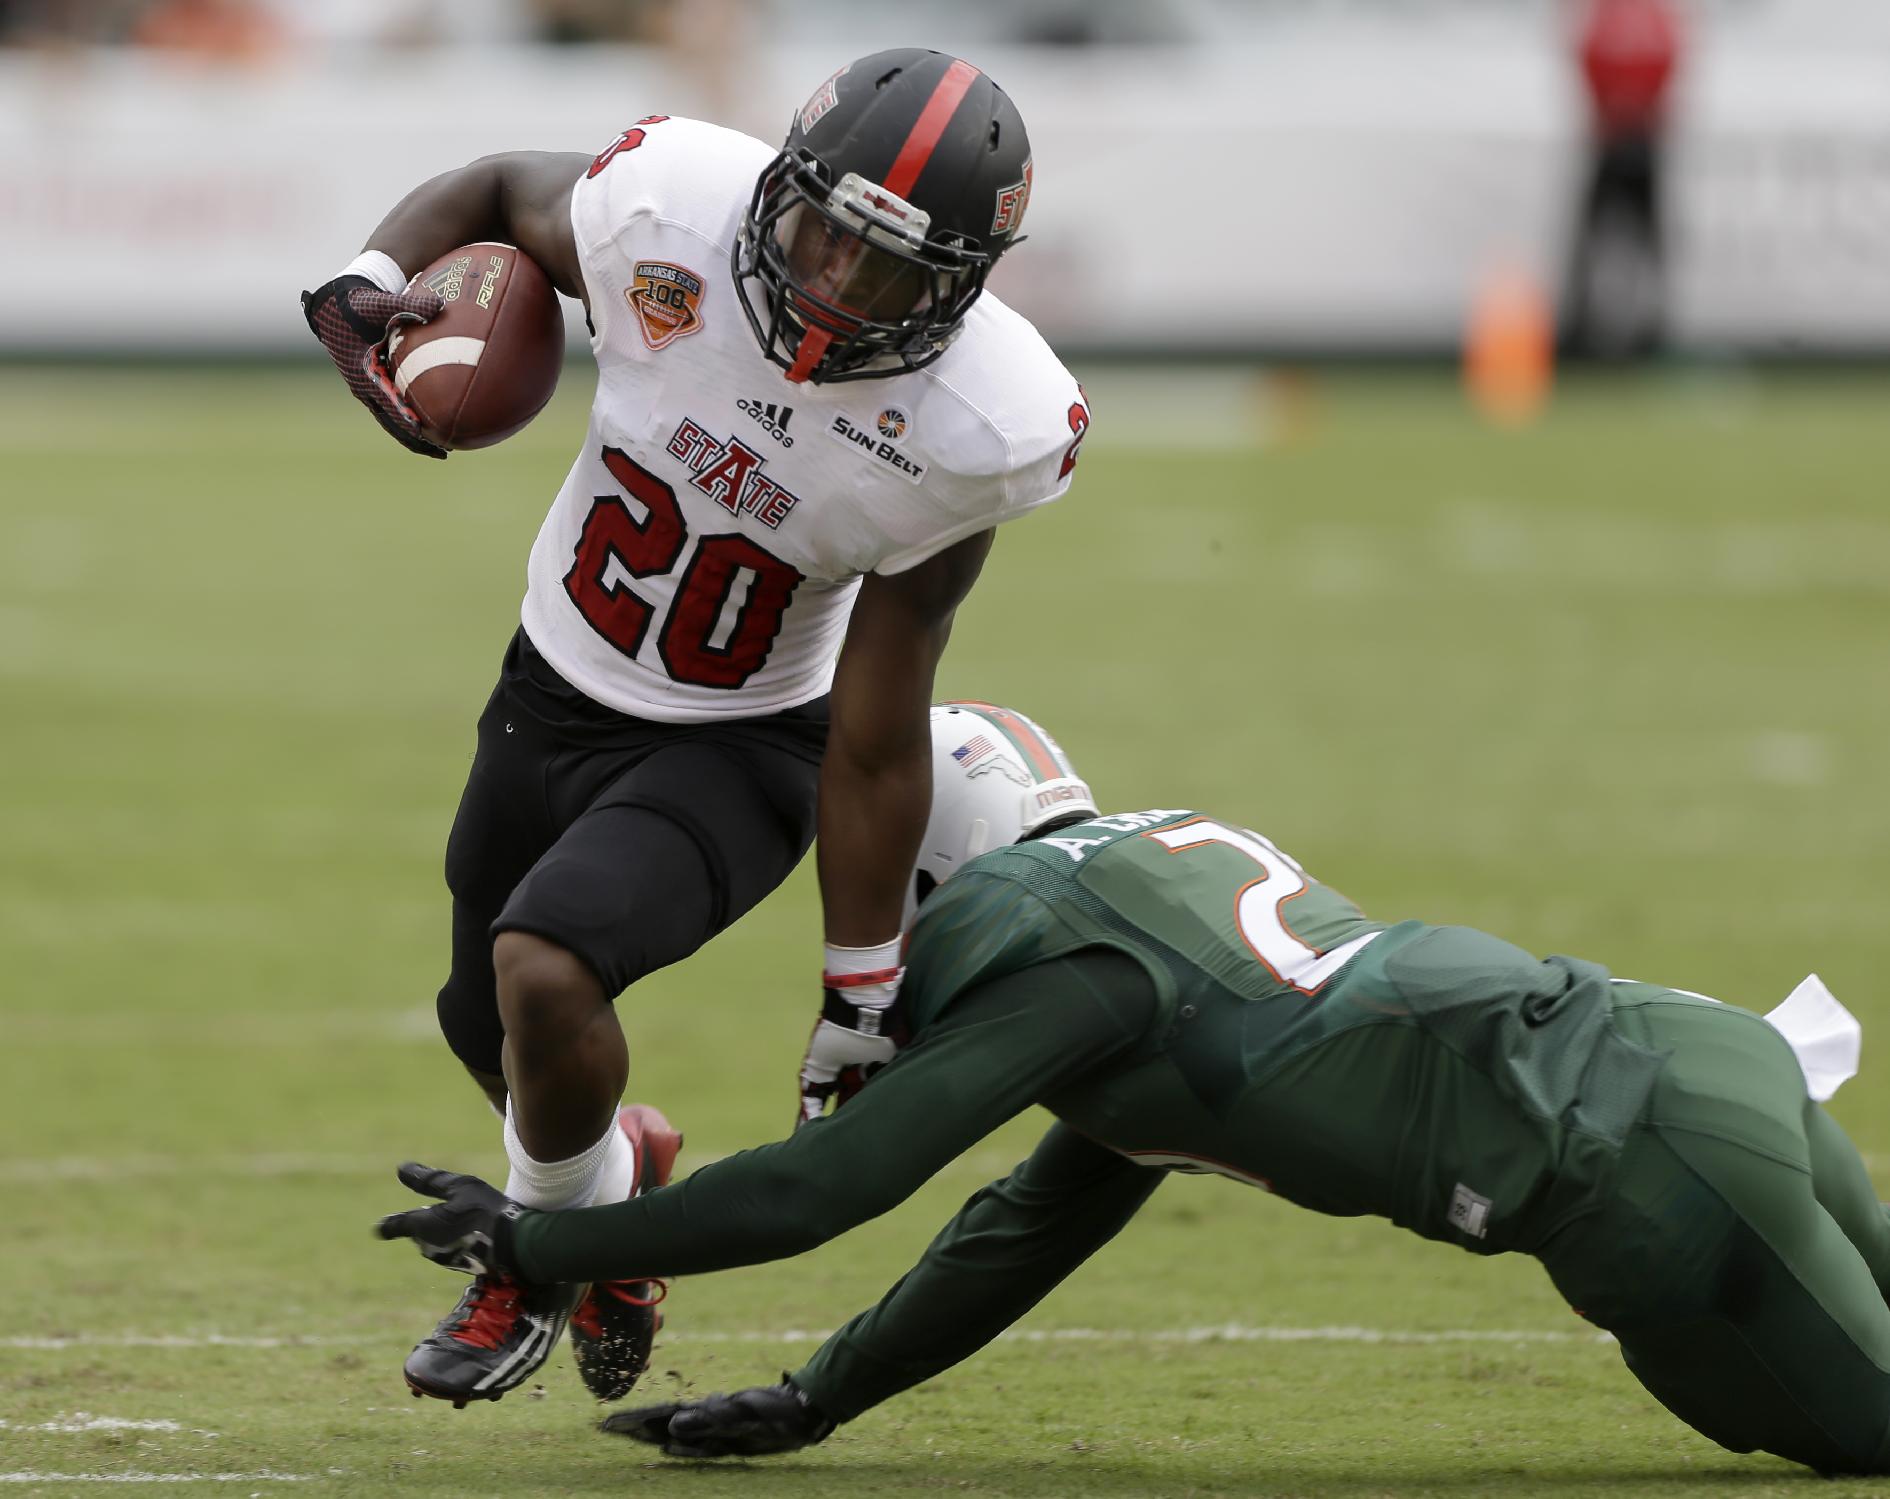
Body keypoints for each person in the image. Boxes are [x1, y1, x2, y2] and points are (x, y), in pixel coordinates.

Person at [378, 702, 1889, 1477]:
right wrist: (819, 1398)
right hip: (1694, 1061)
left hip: (1643, 1171)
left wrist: (537, 1240)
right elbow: (1032, 1221)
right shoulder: (1144, 905)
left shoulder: (1054, 956)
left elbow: (825, 1186)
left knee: (1851, 1441)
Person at [303, 52, 1090, 1407]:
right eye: (826, 235)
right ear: (778, 189)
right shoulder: (667, 208)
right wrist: (363, 281)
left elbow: (881, 720)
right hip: (551, 675)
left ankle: (537, 1259)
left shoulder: (973, 424)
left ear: (961, 288)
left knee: (544, 969)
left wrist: (861, 978)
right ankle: (618, 1193)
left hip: (745, 737)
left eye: (889, 271)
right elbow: (491, 186)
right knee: (485, 1026)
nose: (840, 287)